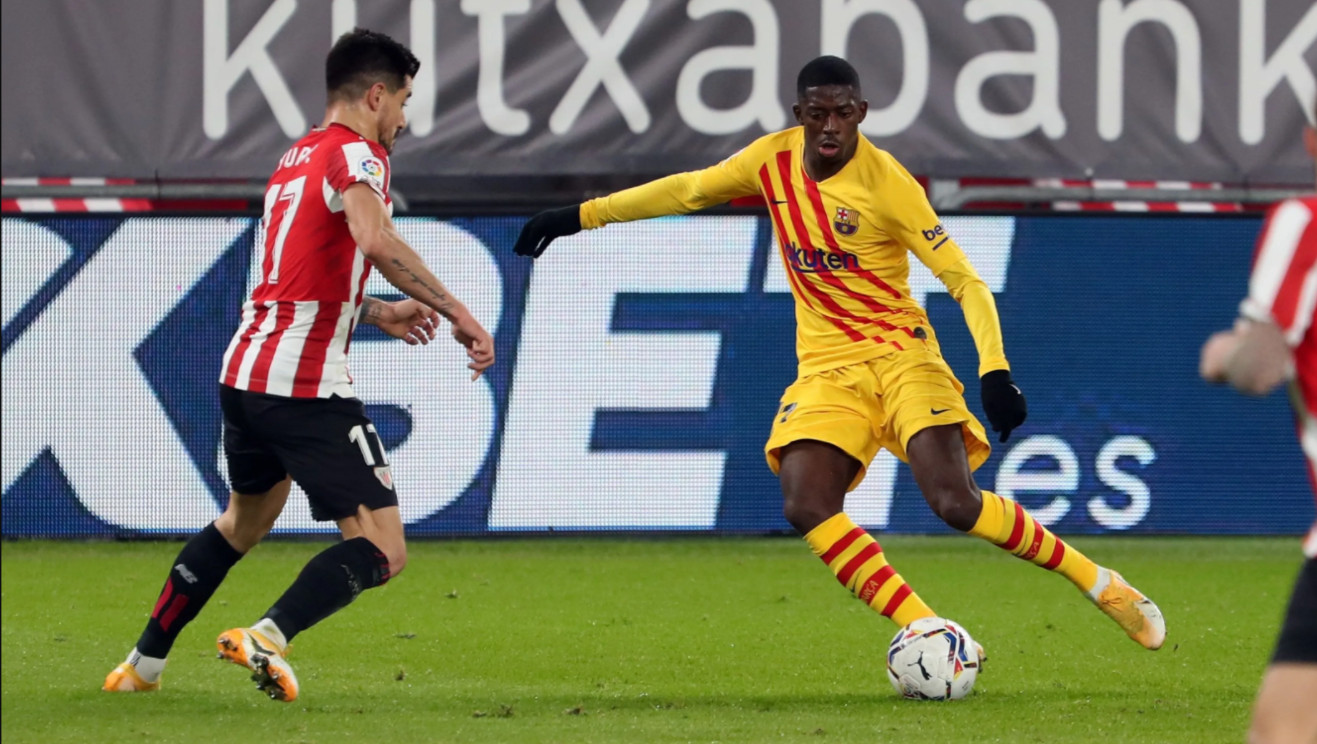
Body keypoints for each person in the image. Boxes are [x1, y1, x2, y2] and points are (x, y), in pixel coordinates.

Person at [513, 55, 1165, 652]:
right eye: (817, 113)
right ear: (800, 116)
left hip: (902, 358)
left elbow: (963, 279)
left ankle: (1098, 580)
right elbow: (688, 190)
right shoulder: (770, 161)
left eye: (843, 113)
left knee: (954, 503)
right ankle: (922, 626)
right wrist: (578, 216)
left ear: (860, 114)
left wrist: (994, 371)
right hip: (828, 370)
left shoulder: (887, 184)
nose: (830, 126)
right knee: (804, 501)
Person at [103, 28, 495, 702]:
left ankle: (141, 666)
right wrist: (454, 309)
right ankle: (267, 635)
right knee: (382, 548)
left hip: (246, 374)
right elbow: (375, 238)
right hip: (304, 386)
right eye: (402, 101)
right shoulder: (358, 156)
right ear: (375, 96)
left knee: (241, 523)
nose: (403, 118)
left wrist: (378, 312)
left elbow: (300, 281)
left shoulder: (296, 159)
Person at [1199, 107, 1317, 744]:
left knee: (1281, 735)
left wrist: (1224, 354)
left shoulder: (1304, 224)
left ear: (1310, 140)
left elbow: (1259, 368)